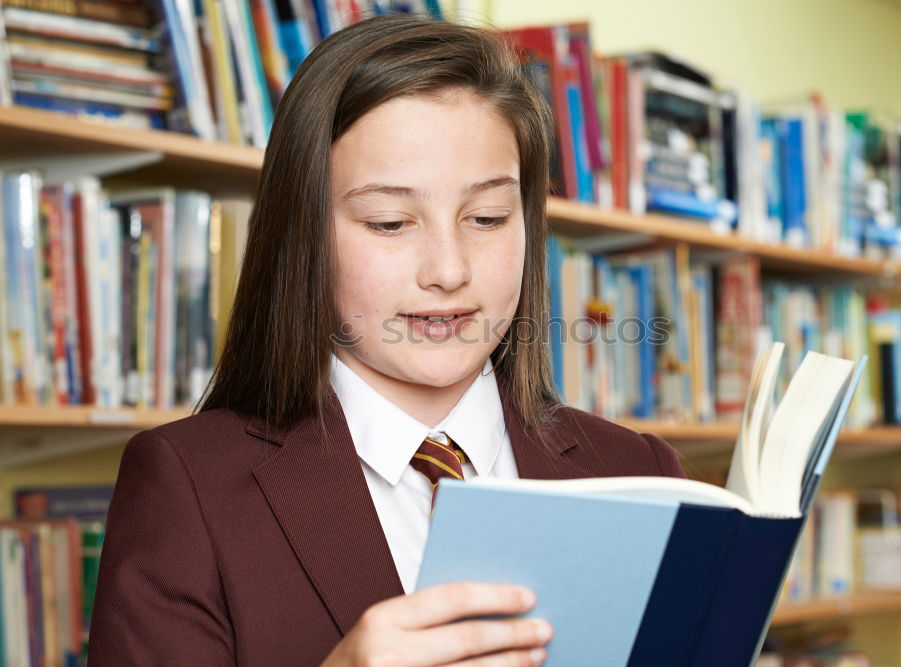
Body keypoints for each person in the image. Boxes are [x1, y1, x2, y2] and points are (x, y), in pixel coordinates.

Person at [88, 13, 687, 666]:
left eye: (487, 217)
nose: (449, 271)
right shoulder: (187, 488)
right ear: (305, 234)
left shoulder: (641, 474)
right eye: (391, 222)